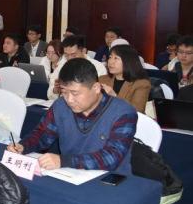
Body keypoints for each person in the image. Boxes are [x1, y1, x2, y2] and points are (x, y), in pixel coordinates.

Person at [8, 58, 137, 174]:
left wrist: (64, 161)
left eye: (75, 93)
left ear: (96, 88)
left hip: (109, 181)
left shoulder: (123, 113)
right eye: (64, 92)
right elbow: (42, 135)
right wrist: (23, 146)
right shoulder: (60, 106)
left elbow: (111, 157)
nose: (69, 99)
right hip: (70, 175)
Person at [48, 35, 107, 100]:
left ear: (83, 51)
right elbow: (50, 93)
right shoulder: (62, 65)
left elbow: (100, 94)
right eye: (66, 55)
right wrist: (55, 90)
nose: (69, 59)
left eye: (73, 55)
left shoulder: (98, 67)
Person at [98, 45, 151, 112]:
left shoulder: (141, 84)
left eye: (116, 58)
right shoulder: (102, 79)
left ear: (128, 61)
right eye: (110, 57)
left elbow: (137, 111)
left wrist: (114, 96)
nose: (110, 62)